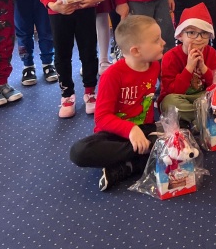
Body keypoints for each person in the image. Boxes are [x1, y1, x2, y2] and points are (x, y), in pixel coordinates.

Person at [69, 15, 163, 192]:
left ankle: (128, 166)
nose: (163, 42)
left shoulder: (155, 65)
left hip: (145, 129)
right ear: (136, 51)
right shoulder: (112, 75)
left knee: (180, 138)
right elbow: (102, 118)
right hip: (114, 135)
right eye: (157, 40)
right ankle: (141, 159)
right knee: (78, 151)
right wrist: (131, 130)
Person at [159, 3, 216, 126]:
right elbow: (172, 92)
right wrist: (189, 68)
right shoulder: (170, 57)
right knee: (168, 102)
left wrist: (204, 68)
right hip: (183, 99)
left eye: (204, 33)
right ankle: (209, 117)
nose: (199, 38)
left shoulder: (211, 53)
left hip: (206, 97)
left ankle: (198, 120)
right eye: (191, 32)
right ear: (180, 35)